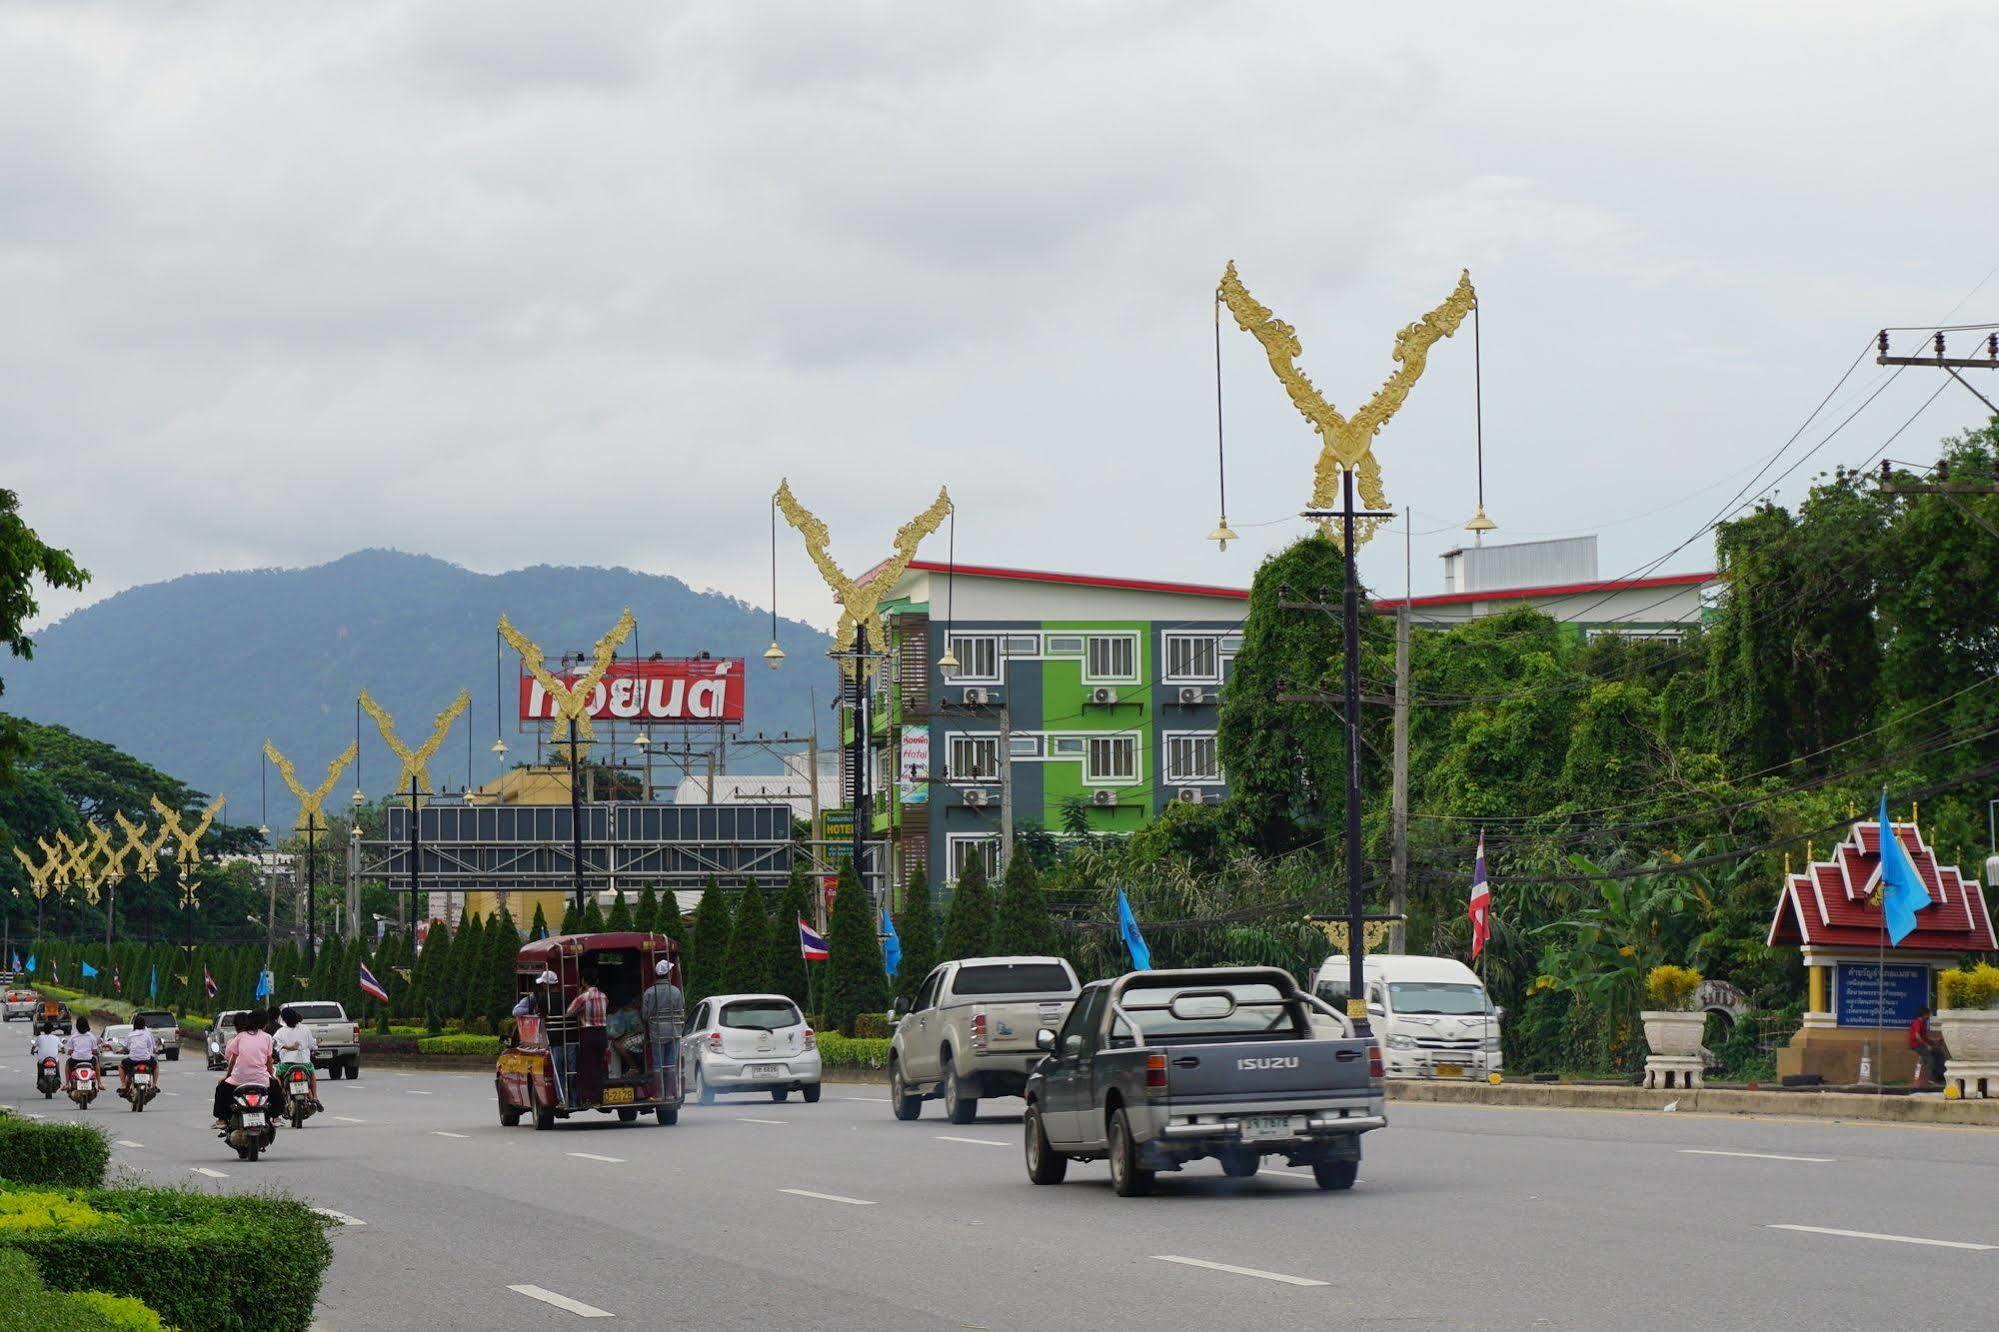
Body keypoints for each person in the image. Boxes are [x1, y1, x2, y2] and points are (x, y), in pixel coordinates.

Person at [212, 1009, 276, 1127]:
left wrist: (227, 1076)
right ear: (264, 1024)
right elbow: (268, 1062)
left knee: (221, 1089)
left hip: (239, 1078)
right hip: (261, 1079)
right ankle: (276, 1117)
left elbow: (233, 1060)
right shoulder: (267, 1037)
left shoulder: (240, 1037)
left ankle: (221, 1120)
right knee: (276, 1088)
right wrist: (271, 1076)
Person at [641, 957, 684, 1099]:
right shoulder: (677, 991)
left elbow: (645, 1015)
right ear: (668, 974)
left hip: (656, 1033)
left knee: (658, 1065)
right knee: (671, 1064)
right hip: (673, 1031)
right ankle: (671, 1094)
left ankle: (659, 1093)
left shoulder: (649, 993)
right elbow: (680, 1010)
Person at [565, 967, 610, 1103]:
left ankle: (591, 1097)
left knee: (588, 1066)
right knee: (599, 1064)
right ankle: (600, 1095)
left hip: (588, 1033)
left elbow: (569, 1012)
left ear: (584, 981)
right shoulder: (604, 996)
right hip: (602, 1033)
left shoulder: (582, 998)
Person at [272, 1007, 320, 1109]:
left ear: (284, 1019)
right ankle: (315, 1097)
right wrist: (315, 1049)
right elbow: (312, 1045)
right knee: (312, 1074)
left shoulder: (281, 1031)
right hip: (304, 1063)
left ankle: (282, 1094)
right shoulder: (305, 1029)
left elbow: (274, 1043)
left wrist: (286, 1047)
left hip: (287, 1064)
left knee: (277, 1076)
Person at [1909, 1006, 1950, 1087]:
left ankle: (1941, 1077)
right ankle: (1931, 1079)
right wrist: (1927, 1045)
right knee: (1930, 1059)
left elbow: (1925, 1037)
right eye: (1928, 1015)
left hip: (1923, 1044)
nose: (1929, 1017)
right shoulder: (1918, 1022)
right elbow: (1917, 1037)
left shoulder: (1924, 1023)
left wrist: (1935, 1041)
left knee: (1939, 1054)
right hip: (1917, 1046)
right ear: (1924, 1014)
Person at [120, 1014, 160, 1094]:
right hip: (146, 1059)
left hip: (133, 1060)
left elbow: (125, 1048)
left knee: (121, 1065)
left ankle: (123, 1084)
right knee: (156, 1066)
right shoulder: (147, 1034)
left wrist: (121, 1051)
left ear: (134, 1024)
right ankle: (154, 1085)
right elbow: (151, 1047)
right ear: (144, 1025)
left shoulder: (130, 1034)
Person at [63, 1015, 98, 1090]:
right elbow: (95, 1051)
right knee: (97, 1063)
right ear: (87, 1025)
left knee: (67, 1064)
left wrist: (69, 1053)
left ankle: (67, 1084)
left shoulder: (73, 1037)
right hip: (89, 1060)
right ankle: (100, 1083)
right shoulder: (91, 1036)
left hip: (76, 1060)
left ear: (77, 1026)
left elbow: (70, 1051)